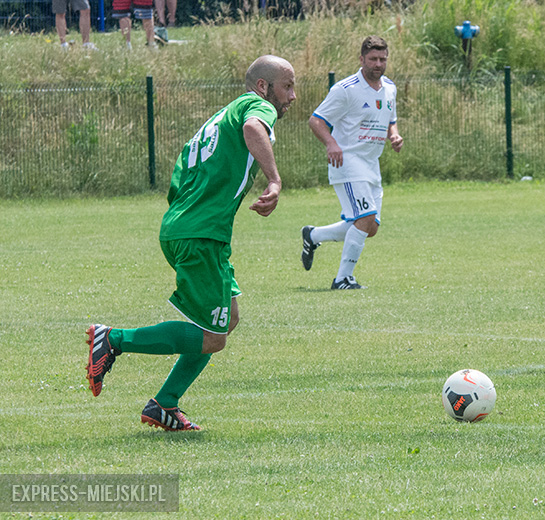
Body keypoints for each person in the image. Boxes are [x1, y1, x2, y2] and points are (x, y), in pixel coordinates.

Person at [85, 55, 296, 431]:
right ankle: (113, 339)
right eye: (288, 86)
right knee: (213, 337)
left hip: (189, 229)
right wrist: (275, 180)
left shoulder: (216, 121)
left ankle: (164, 404)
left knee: (226, 318)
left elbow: (182, 172)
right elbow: (253, 128)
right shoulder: (254, 107)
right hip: (201, 235)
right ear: (264, 87)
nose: (292, 96)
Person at [301, 35, 403, 289]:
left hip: (371, 164)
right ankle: (343, 279)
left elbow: (390, 117)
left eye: (382, 59)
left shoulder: (390, 87)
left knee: (370, 227)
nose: (378, 64)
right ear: (361, 59)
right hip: (346, 162)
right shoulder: (346, 89)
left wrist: (394, 135)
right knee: (365, 218)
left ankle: (313, 235)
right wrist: (331, 143)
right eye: (373, 59)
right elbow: (317, 120)